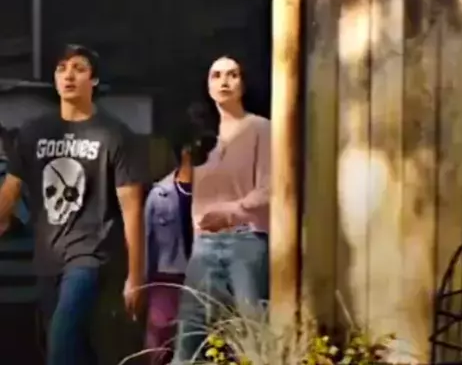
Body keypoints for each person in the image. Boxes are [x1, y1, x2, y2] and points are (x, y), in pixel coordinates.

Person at [0, 44, 147, 365]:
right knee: (72, 349)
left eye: (79, 69)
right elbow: (10, 191)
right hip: (47, 258)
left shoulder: (113, 135)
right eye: (62, 68)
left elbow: (132, 208)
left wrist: (136, 277)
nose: (68, 75)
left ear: (94, 80)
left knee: (61, 343)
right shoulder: (33, 132)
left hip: (90, 256)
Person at [172, 54, 271, 363]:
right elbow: (195, 199)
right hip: (205, 244)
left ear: (243, 83)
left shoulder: (261, 128)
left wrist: (229, 212)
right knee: (189, 336)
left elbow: (269, 188)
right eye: (216, 75)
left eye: (232, 75)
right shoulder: (201, 135)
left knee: (253, 334)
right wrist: (197, 237)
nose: (224, 82)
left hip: (247, 240)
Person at [144, 103, 217, 365]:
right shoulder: (159, 195)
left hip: (207, 281)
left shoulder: (220, 194)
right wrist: (141, 286)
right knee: (160, 347)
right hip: (167, 280)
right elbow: (147, 245)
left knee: (205, 347)